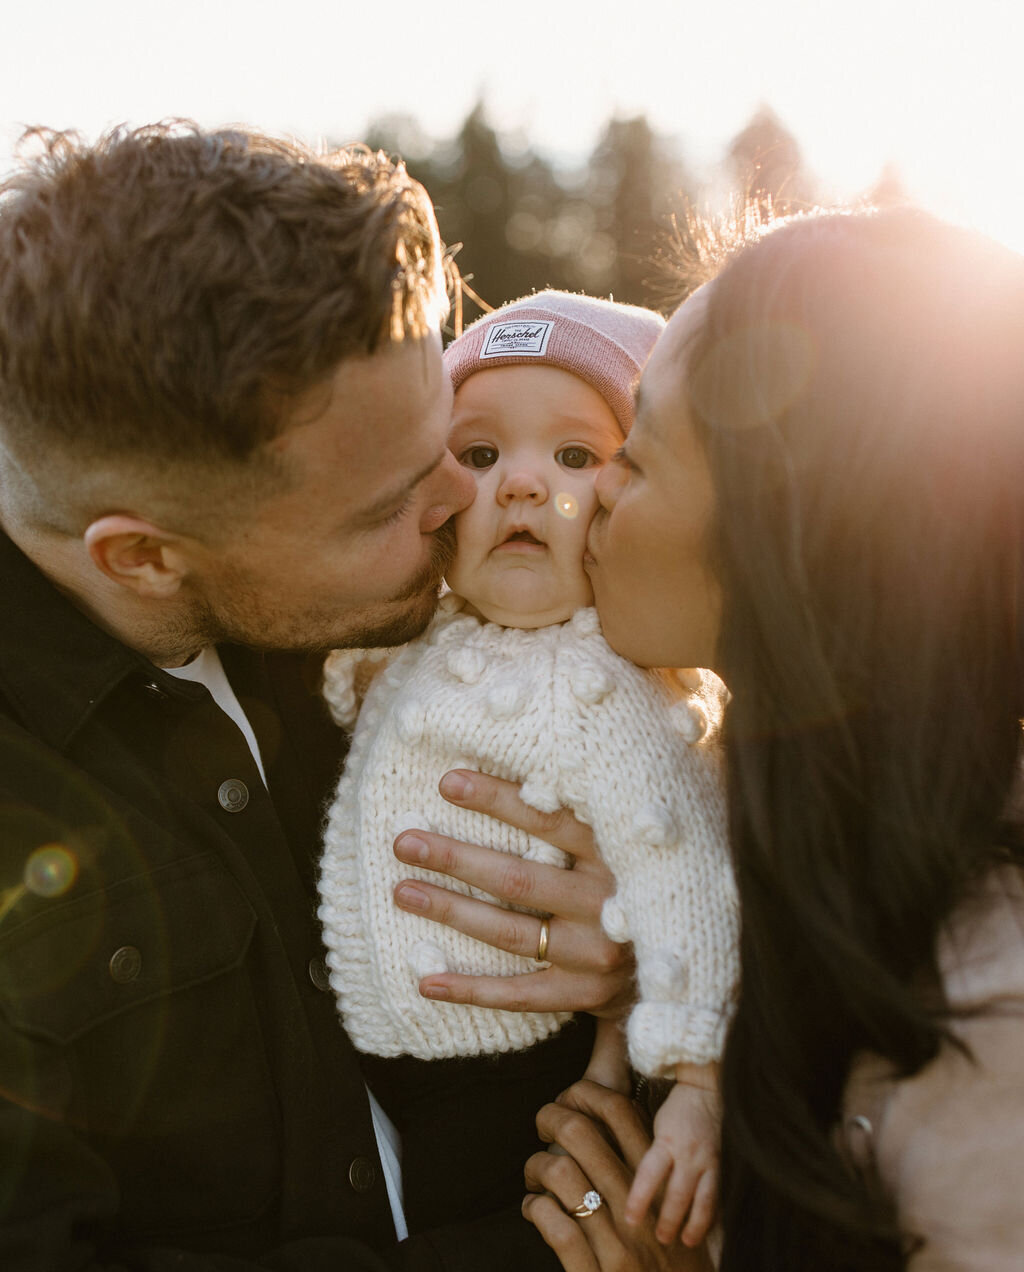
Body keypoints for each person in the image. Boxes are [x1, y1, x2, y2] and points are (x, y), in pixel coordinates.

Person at [0, 122, 630, 1272]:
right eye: (387, 505)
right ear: (144, 556)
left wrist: (645, 947)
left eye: (450, 436)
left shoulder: (441, 621)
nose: (462, 502)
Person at [520, 206, 1024, 1271]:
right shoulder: (760, 824)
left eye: (639, 459)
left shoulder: (993, 1024)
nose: (593, 489)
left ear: (782, 556)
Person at [317, 290, 737, 1247]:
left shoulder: (608, 692)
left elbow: (687, 883)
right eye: (479, 454)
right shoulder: (414, 632)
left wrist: (699, 1083)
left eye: (576, 456)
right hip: (383, 1065)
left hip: (531, 1068)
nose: (518, 484)